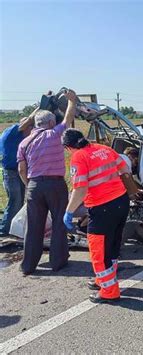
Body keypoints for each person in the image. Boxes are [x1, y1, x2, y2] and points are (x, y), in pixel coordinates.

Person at [62, 129, 139, 303]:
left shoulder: (78, 157)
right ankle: (102, 280)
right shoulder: (103, 149)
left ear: (68, 147)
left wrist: (69, 211)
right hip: (121, 201)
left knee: (99, 250)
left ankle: (109, 291)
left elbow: (80, 189)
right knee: (111, 246)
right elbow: (125, 168)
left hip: (102, 208)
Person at [17, 90, 77, 275]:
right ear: (51, 122)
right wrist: (72, 101)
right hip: (55, 185)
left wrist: (30, 185)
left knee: (34, 226)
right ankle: (58, 263)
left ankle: (28, 266)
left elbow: (21, 169)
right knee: (59, 223)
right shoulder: (54, 134)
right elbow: (67, 119)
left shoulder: (24, 142)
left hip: (34, 185)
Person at [0, 114, 35, 237]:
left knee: (19, 200)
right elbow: (29, 119)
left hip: (17, 171)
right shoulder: (13, 131)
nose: (32, 131)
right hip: (10, 172)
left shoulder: (19, 135)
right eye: (31, 128)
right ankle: (5, 229)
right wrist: (42, 106)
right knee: (14, 200)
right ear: (25, 127)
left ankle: (13, 227)